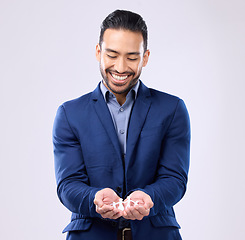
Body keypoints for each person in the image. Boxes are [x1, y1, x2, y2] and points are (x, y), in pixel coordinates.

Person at [53, 9, 190, 240]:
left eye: (132, 57)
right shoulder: (69, 114)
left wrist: (150, 197)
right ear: (98, 52)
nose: (120, 67)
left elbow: (175, 179)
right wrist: (93, 198)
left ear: (145, 57)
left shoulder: (172, 109)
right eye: (112, 55)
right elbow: (68, 184)